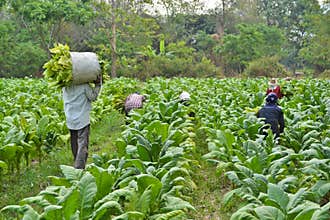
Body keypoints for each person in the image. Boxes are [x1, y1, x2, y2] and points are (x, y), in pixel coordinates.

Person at [62, 76, 101, 169]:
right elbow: (93, 97)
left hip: (70, 119)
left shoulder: (65, 87)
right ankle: (79, 168)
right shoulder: (84, 86)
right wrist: (98, 85)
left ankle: (77, 162)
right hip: (82, 119)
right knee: (82, 144)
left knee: (74, 142)